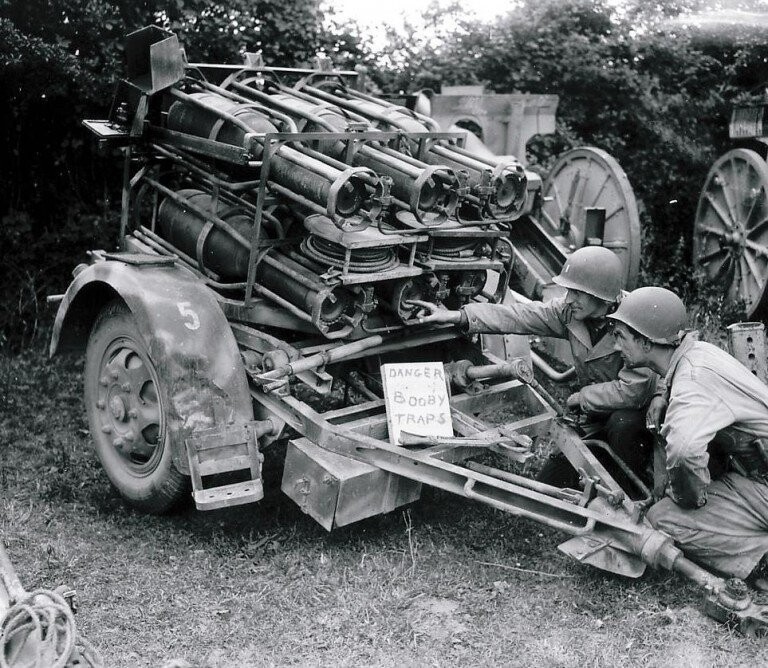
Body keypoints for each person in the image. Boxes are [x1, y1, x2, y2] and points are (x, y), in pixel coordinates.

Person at [409, 245, 660, 490]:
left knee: (623, 426)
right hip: (595, 415)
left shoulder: (636, 321)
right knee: (548, 485)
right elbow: (520, 316)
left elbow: (634, 391)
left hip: (636, 416)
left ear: (601, 296)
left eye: (578, 293)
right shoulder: (570, 312)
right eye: (568, 291)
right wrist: (458, 316)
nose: (569, 299)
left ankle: (633, 489)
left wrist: (582, 397)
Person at [608, 286, 768, 584]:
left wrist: (687, 498)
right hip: (757, 475)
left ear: (645, 342)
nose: (617, 346)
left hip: (762, 487)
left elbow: (683, 451)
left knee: (664, 518)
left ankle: (760, 557)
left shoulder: (691, 380)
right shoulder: (697, 353)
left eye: (621, 337)